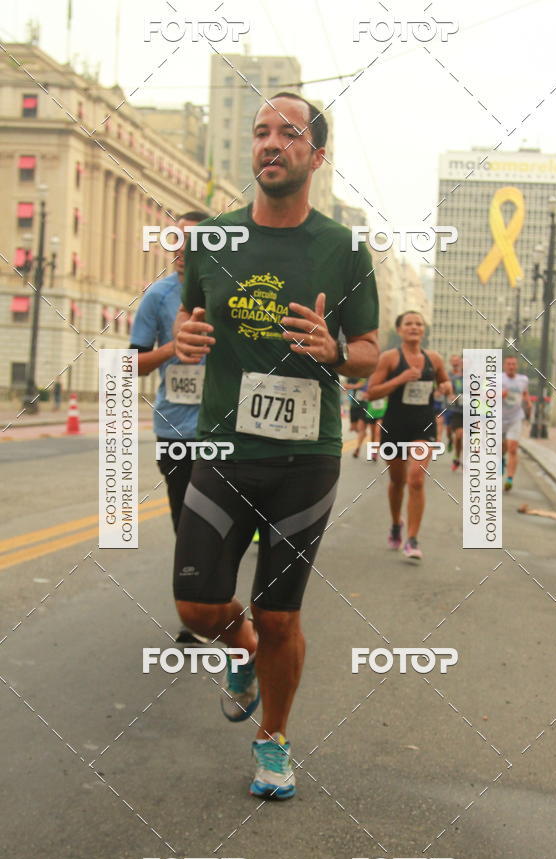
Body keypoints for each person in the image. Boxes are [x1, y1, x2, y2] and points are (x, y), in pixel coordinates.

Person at [172, 93, 379, 800]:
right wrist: (188, 340)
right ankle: (241, 650)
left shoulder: (344, 248)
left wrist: (335, 349)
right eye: (261, 131)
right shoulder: (211, 242)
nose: (270, 143)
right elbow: (191, 324)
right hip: (225, 448)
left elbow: (371, 355)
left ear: (316, 156)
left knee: (281, 612)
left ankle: (274, 743)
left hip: (305, 456)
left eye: (289, 134)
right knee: (197, 608)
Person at [130, 210, 206, 643]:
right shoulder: (157, 296)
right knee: (187, 525)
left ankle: (217, 602)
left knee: (220, 527)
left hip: (225, 432)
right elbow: (133, 364)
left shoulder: (231, 292)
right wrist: (172, 349)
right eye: (176, 240)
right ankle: (195, 617)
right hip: (175, 430)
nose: (182, 249)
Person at [367, 311, 451, 559]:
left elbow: (446, 384)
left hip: (423, 427)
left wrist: (446, 387)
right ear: (400, 330)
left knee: (416, 479)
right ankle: (396, 524)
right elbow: (372, 392)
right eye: (409, 324)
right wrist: (401, 378)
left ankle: (412, 539)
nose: (414, 327)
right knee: (397, 482)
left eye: (418, 324)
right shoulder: (390, 359)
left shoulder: (434, 359)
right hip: (395, 426)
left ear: (423, 330)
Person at [501, 356, 531, 491]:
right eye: (509, 364)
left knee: (512, 448)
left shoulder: (523, 380)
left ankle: (509, 478)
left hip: (515, 417)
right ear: (504, 365)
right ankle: (501, 458)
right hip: (498, 418)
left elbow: (525, 393)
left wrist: (528, 402)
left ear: (516, 366)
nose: (511, 366)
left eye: (513, 364)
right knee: (501, 447)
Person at [447, 354, 464, 471]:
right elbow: (450, 393)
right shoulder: (456, 379)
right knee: (458, 437)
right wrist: (452, 396)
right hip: (458, 411)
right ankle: (457, 457)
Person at [346, 376, 369, 458]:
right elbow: (345, 386)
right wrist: (358, 386)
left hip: (365, 406)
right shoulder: (352, 376)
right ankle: (363, 434)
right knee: (354, 428)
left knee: (360, 427)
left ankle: (357, 449)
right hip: (354, 405)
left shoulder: (369, 376)